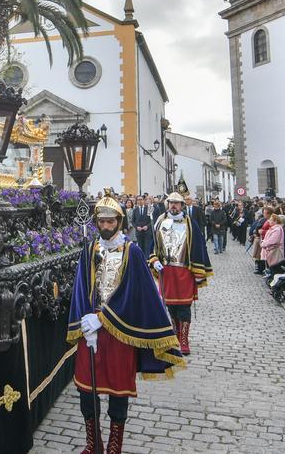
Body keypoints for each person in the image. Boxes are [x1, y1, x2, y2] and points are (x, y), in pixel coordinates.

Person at [68, 196, 184, 454]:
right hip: (91, 333)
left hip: (120, 332)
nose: (106, 225)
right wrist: (86, 322)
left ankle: (113, 446)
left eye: (111, 220)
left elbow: (134, 295)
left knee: (118, 394)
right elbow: (81, 288)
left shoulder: (133, 252)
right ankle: (93, 443)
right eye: (102, 221)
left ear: (119, 222)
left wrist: (102, 319)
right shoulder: (89, 250)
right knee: (87, 390)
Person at [147, 192, 212, 356]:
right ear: (167, 204)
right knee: (170, 307)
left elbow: (198, 246)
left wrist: (198, 272)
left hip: (184, 270)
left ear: (182, 206)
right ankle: (175, 335)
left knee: (184, 307)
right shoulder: (160, 221)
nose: (173, 206)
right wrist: (154, 260)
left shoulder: (190, 223)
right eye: (171, 203)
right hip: (166, 271)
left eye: (177, 203)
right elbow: (153, 244)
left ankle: (184, 339)